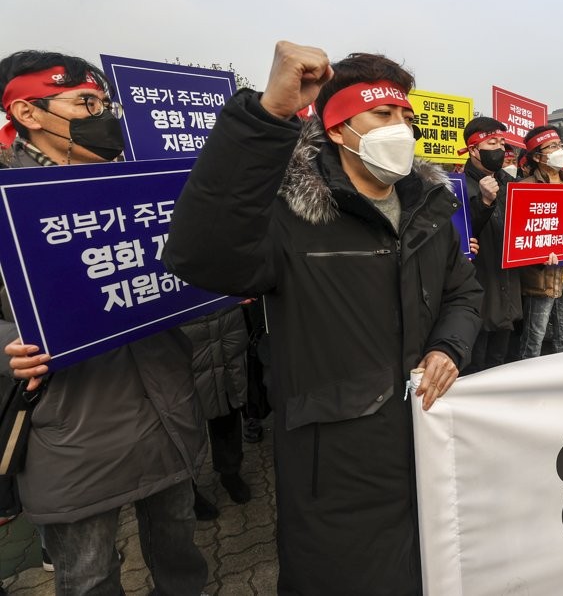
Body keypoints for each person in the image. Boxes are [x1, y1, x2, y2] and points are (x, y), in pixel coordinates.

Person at [162, 42, 482, 595]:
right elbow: (200, 253)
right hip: (334, 467)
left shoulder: (430, 208)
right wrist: (267, 116)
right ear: (337, 129)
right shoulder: (289, 216)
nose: (401, 127)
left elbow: (464, 293)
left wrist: (448, 348)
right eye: (383, 114)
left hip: (427, 441)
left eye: (406, 115)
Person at [1, 50, 207, 594]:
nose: (105, 116)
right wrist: (8, 347)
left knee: (180, 553)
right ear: (28, 113)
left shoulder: (142, 187)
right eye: (86, 103)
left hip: (166, 406)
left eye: (106, 102)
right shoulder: (5, 200)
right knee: (89, 575)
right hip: (70, 429)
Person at [459, 116, 525, 372]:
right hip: (478, 288)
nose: (499, 149)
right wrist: (484, 203)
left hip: (508, 285)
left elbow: (526, 229)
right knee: (475, 364)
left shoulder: (512, 186)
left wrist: (544, 252)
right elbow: (459, 235)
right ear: (474, 149)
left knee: (500, 363)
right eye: (491, 143)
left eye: (501, 142)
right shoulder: (456, 186)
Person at [516, 126, 563, 358]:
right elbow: (520, 239)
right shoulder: (525, 189)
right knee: (533, 340)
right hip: (542, 280)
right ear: (537, 157)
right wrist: (537, 255)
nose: (560, 150)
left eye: (560, 145)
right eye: (553, 147)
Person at [179, 305, 252, 521]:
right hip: (182, 327)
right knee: (184, 420)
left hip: (224, 318)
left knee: (227, 400)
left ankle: (230, 472)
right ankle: (188, 489)